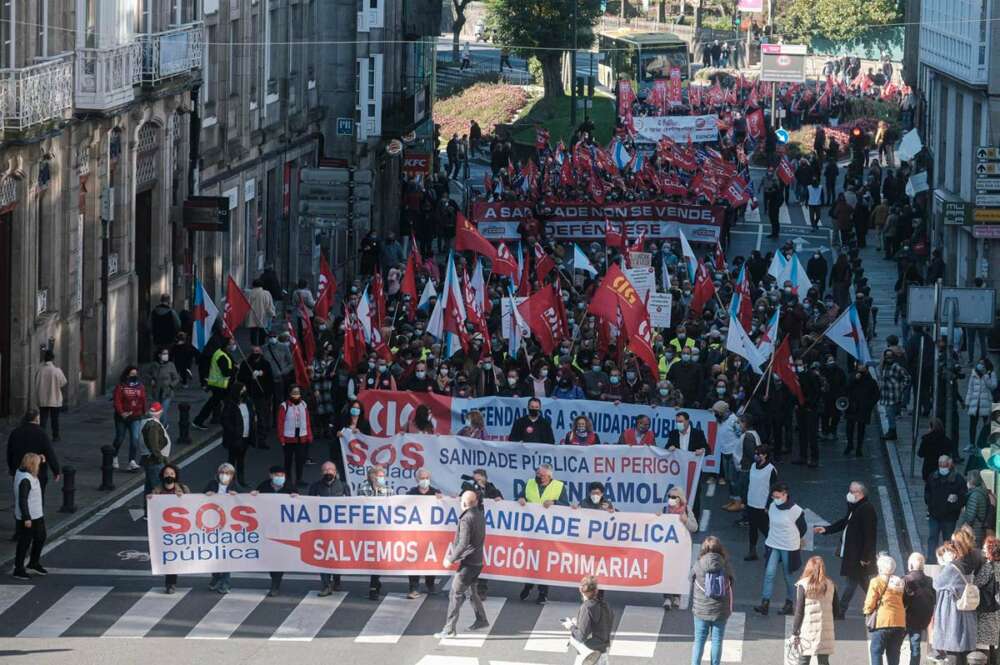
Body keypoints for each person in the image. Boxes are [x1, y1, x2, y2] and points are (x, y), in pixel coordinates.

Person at [815, 481, 878, 618]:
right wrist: (826, 529)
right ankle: (877, 605)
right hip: (853, 553)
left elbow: (870, 536)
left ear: (860, 494)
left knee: (851, 582)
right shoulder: (855, 507)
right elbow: (845, 522)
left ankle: (840, 610)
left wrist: (865, 557)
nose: (849, 494)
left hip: (858, 555)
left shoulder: (867, 509)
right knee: (863, 582)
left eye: (852, 491)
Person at [434, 490, 489, 638]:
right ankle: (482, 619)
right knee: (471, 592)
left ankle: (449, 629)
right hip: (477, 561)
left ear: (464, 503)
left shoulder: (466, 518)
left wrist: (450, 559)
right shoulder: (479, 514)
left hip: (469, 564)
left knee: (455, 594)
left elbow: (463, 543)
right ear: (476, 502)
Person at [517, 464, 568, 604]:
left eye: (542, 475)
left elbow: (565, 505)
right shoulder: (530, 483)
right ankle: (528, 586)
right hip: (531, 529)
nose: (539, 477)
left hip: (548, 530)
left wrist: (554, 502)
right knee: (530, 559)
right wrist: (521, 499)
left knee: (543, 562)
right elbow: (521, 496)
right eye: (538, 474)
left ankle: (542, 592)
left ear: (549, 476)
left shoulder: (558, 486)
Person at [754, 482, 807, 616]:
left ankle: (789, 603)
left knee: (788, 576)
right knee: (769, 574)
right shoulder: (772, 506)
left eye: (777, 496)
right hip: (773, 543)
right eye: (773, 496)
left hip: (789, 546)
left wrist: (794, 538)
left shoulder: (796, 510)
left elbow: (803, 528)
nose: (775, 499)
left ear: (785, 495)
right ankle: (765, 603)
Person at [689, 536, 735, 665]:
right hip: (720, 611)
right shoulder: (725, 565)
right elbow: (732, 581)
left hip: (701, 610)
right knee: (717, 641)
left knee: (699, 641)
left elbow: (690, 578)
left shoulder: (698, 565)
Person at [931, 540, 977, 663]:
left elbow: (936, 584)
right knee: (962, 650)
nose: (940, 558)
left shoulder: (951, 568)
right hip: (965, 612)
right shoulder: (963, 565)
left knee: (953, 648)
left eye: (943, 554)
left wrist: (944, 565)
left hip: (953, 614)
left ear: (950, 553)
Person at [252, 466, 295, 597]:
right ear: (271, 475)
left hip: (284, 529)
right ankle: (274, 579)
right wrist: (252, 496)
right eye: (277, 475)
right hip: (267, 528)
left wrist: (296, 497)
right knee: (270, 556)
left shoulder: (290, 487)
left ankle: (275, 583)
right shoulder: (263, 487)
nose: (280, 477)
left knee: (278, 556)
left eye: (282, 474)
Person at [309, 461, 349, 596]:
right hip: (321, 528)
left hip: (339, 529)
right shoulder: (315, 487)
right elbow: (307, 505)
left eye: (331, 469)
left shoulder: (343, 486)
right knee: (323, 557)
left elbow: (351, 505)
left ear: (336, 471)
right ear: (322, 472)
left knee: (337, 555)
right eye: (325, 470)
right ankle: (326, 585)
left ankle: (336, 580)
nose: (328, 472)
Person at [790, 555, 839, 665]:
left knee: (803, 660)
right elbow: (836, 610)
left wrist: (794, 632)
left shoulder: (803, 585)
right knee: (823, 661)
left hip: (807, 629)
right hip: (825, 630)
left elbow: (799, 611)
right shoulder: (831, 585)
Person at [5, 408, 61, 505]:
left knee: (21, 497)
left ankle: (22, 517)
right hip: (37, 472)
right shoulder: (41, 433)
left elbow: (9, 452)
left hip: (19, 470)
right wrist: (56, 471)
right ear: (36, 419)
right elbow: (50, 453)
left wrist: (12, 469)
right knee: (38, 498)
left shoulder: (15, 432)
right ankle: (35, 517)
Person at [147, 464, 187, 593]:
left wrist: (184, 498)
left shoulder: (183, 489)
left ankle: (171, 583)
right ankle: (170, 583)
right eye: (166, 474)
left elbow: (192, 505)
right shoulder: (156, 491)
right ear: (162, 476)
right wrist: (150, 500)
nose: (169, 476)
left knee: (174, 557)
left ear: (176, 476)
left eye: (172, 474)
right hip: (163, 530)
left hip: (180, 530)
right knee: (167, 556)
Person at [863, 553, 907, 665]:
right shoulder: (900, 582)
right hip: (899, 622)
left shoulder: (876, 582)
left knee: (876, 651)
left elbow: (870, 602)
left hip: (882, 622)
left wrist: (867, 612)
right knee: (894, 653)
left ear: (880, 568)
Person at [11, 452, 48, 580]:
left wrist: (42, 460)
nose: (39, 466)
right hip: (29, 517)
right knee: (24, 543)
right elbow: (23, 500)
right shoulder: (25, 480)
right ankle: (18, 569)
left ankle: (33, 563)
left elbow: (39, 470)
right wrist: (26, 517)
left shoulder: (22, 472)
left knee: (41, 537)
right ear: (32, 465)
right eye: (37, 464)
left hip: (37, 514)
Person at [407, 468, 443, 598]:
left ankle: (430, 583)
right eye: (422, 478)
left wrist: (442, 499)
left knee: (430, 558)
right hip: (415, 533)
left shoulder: (435, 493)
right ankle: (414, 587)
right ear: (417, 479)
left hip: (431, 533)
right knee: (413, 560)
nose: (425, 480)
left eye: (427, 478)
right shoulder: (411, 493)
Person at [358, 465, 393, 599]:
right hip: (368, 527)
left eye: (382, 475)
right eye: (378, 475)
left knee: (378, 556)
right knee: (371, 556)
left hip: (382, 528)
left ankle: (374, 585)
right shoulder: (363, 488)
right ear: (371, 477)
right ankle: (374, 583)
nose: (380, 478)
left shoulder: (389, 490)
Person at [661, 485, 698, 609]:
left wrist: (686, 520)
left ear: (680, 498)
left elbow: (694, 527)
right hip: (668, 546)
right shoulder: (665, 510)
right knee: (667, 571)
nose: (670, 499)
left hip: (682, 547)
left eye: (673, 497)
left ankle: (677, 596)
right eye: (669, 496)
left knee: (679, 571)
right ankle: (667, 598)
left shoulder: (686, 510)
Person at [204, 463, 239, 594]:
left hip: (228, 528)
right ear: (218, 473)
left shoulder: (235, 486)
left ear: (232, 476)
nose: (225, 475)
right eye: (222, 472)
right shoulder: (212, 484)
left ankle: (225, 583)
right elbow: (198, 500)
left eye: (228, 473)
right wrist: (206, 495)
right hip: (212, 525)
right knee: (213, 553)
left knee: (225, 555)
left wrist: (237, 496)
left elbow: (246, 500)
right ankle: (216, 577)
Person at [561, 576, 612, 665]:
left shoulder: (587, 607)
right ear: (596, 590)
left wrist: (571, 626)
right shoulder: (605, 606)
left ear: (581, 590)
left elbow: (581, 636)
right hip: (603, 652)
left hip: (589, 655)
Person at [925, 455, 967, 561]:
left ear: (950, 464)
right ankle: (931, 561)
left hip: (949, 518)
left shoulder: (958, 479)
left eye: (945, 464)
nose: (942, 466)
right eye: (940, 464)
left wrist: (956, 499)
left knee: (947, 541)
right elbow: (927, 493)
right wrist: (930, 504)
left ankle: (947, 561)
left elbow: (963, 497)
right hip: (934, 516)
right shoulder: (933, 476)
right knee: (932, 539)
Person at [192, 337, 236, 430]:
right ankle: (199, 421)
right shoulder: (222, 356)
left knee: (214, 404)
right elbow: (226, 372)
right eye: (232, 344)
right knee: (218, 404)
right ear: (227, 345)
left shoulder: (222, 353)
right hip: (220, 385)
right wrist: (235, 369)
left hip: (220, 384)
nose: (234, 345)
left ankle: (201, 420)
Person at [237, 345, 274, 449]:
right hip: (248, 394)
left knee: (261, 418)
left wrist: (262, 374)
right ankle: (249, 439)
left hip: (261, 395)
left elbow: (270, 380)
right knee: (248, 417)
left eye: (257, 351)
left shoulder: (265, 364)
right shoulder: (246, 364)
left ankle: (261, 440)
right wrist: (250, 378)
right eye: (254, 351)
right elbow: (240, 378)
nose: (255, 353)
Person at [744, 444, 776, 561]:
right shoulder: (753, 466)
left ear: (765, 455)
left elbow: (774, 490)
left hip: (762, 506)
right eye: (756, 453)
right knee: (752, 528)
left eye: (759, 454)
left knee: (765, 529)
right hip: (751, 502)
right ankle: (752, 552)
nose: (756, 456)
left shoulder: (771, 470)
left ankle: (774, 551)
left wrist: (768, 505)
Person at [902, 553, 935, 665]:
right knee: (915, 648)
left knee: (894, 646)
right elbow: (933, 599)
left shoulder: (906, 580)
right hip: (921, 620)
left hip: (905, 618)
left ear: (910, 565)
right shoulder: (929, 580)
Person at [277, 384, 312, 489]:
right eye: (294, 393)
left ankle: (299, 479)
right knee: (288, 460)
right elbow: (280, 423)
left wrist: (309, 435)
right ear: (290, 394)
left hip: (301, 436)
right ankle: (287, 480)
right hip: (288, 437)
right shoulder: (284, 406)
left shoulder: (303, 404)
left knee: (300, 459)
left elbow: (307, 421)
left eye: (298, 393)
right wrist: (281, 438)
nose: (296, 395)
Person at [112, 366, 147, 470]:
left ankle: (131, 461)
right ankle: (114, 456)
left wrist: (144, 412)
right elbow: (117, 401)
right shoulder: (121, 386)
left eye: (135, 374)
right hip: (122, 417)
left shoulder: (140, 386)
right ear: (127, 375)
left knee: (135, 439)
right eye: (132, 374)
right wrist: (122, 413)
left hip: (136, 416)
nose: (134, 376)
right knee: (119, 438)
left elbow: (143, 400)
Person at [221, 383, 255, 487]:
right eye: (242, 391)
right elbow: (224, 420)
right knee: (231, 460)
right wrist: (234, 431)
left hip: (245, 436)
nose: (244, 393)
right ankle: (229, 481)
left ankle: (241, 480)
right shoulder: (230, 404)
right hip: (234, 437)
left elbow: (251, 417)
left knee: (241, 460)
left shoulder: (248, 403)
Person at [139, 402, 171, 511]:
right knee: (158, 488)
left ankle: (148, 512)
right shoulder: (153, 425)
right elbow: (154, 444)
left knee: (149, 487)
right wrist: (160, 458)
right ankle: (158, 513)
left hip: (149, 460)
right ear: (160, 412)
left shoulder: (146, 422)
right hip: (154, 461)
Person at [844, 362, 880, 456]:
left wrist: (869, 405)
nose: (861, 367)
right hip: (852, 406)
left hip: (863, 408)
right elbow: (846, 388)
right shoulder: (853, 376)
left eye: (863, 366)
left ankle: (859, 448)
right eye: (860, 365)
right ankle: (850, 444)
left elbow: (876, 395)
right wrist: (855, 380)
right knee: (850, 427)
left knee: (861, 428)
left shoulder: (871, 381)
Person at [965, 358, 997, 452]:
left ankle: (986, 444)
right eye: (979, 363)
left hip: (986, 403)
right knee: (972, 425)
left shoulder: (991, 374)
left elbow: (993, 386)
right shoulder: (974, 374)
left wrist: (985, 376)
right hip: (975, 403)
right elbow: (970, 389)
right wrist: (967, 402)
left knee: (986, 425)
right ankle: (971, 443)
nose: (980, 365)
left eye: (982, 364)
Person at [976, 536, 1000, 665]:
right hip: (997, 611)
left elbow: (977, 583)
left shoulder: (988, 567)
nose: (983, 549)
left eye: (985, 547)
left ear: (991, 550)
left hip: (987, 611)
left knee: (983, 645)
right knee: (993, 644)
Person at [34, 350, 66, 440]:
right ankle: (55, 436)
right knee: (54, 419)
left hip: (43, 398)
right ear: (53, 359)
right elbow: (63, 382)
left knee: (43, 419)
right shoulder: (57, 371)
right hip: (55, 399)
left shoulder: (40, 370)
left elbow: (36, 383)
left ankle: (41, 437)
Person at [144, 348, 181, 420]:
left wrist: (171, 386)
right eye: (164, 354)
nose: (166, 355)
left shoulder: (171, 365)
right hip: (156, 392)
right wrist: (151, 379)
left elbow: (176, 378)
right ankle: (160, 427)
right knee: (156, 412)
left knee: (163, 413)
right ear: (159, 355)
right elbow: (146, 375)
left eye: (167, 354)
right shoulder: (154, 365)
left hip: (167, 392)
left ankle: (163, 427)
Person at [957, 471, 992, 545]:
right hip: (979, 528)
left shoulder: (975, 495)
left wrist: (963, 528)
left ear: (970, 481)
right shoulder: (981, 492)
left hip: (974, 530)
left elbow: (970, 515)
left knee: (973, 550)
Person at [246, 279, 276, 346]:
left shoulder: (249, 293)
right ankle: (261, 345)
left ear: (253, 285)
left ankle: (254, 346)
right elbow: (269, 306)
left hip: (252, 315)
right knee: (262, 331)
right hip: (263, 316)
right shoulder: (266, 293)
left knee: (253, 331)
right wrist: (273, 314)